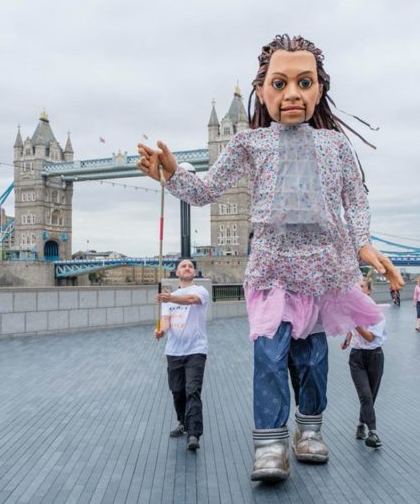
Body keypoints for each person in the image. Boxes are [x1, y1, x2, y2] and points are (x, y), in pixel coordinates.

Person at [137, 34, 402, 482]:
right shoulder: (249, 143)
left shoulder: (336, 147)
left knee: (313, 361)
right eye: (279, 84)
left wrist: (363, 243)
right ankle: (271, 444)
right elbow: (205, 190)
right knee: (269, 357)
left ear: (320, 88)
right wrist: (173, 173)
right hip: (270, 271)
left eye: (304, 82)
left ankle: (309, 432)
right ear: (262, 91)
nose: (292, 94)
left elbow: (355, 200)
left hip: (322, 274)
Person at [154, 259, 211, 451]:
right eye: (183, 266)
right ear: (177, 273)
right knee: (177, 390)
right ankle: (183, 422)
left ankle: (194, 433)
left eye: (190, 266)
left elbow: (190, 300)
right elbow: (166, 322)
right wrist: (161, 332)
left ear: (193, 272)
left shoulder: (200, 291)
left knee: (192, 390)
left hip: (196, 349)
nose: (187, 268)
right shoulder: (169, 298)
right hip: (173, 351)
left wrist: (169, 298)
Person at [341, 277, 386, 449]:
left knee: (371, 395)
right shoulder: (353, 309)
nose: (357, 290)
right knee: (365, 394)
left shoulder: (377, 314)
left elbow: (369, 337)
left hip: (375, 356)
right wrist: (347, 338)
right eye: (355, 287)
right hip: (356, 357)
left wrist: (356, 325)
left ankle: (361, 424)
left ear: (368, 291)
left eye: (361, 287)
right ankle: (373, 433)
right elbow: (351, 328)